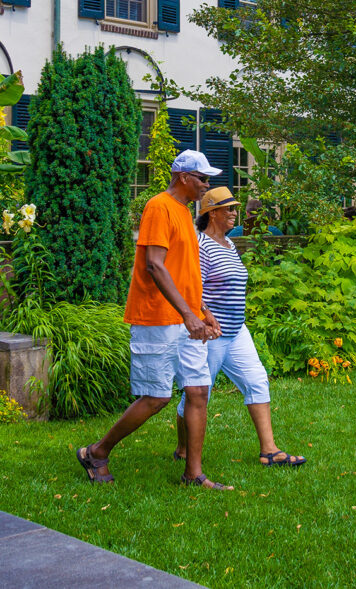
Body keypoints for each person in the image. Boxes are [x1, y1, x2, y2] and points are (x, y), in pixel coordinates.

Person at [77, 151, 233, 490]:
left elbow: (184, 274)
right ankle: (96, 452)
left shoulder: (183, 213)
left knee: (197, 390)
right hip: (156, 318)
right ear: (182, 177)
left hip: (183, 318)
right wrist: (188, 314)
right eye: (202, 178)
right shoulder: (159, 207)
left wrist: (202, 310)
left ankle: (194, 474)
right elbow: (155, 265)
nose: (207, 185)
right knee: (156, 397)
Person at [174, 186, 306, 467]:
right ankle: (183, 449)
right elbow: (190, 288)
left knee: (257, 382)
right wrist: (205, 317)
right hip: (211, 335)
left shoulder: (229, 244)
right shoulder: (201, 245)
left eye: (235, 208)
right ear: (211, 213)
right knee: (198, 395)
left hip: (236, 331)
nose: (235, 213)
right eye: (229, 208)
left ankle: (269, 451)